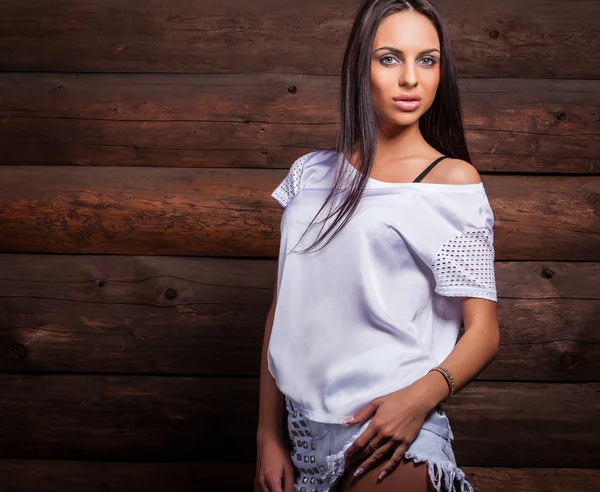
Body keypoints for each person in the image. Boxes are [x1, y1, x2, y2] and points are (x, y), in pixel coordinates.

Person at [255, 0, 500, 490]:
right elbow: (286, 306)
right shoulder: (311, 172)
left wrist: (416, 401)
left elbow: (484, 331)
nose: (410, 78)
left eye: (426, 60)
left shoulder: (450, 181)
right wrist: (267, 435)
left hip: (388, 432)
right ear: (359, 67)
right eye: (390, 58)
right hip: (302, 433)